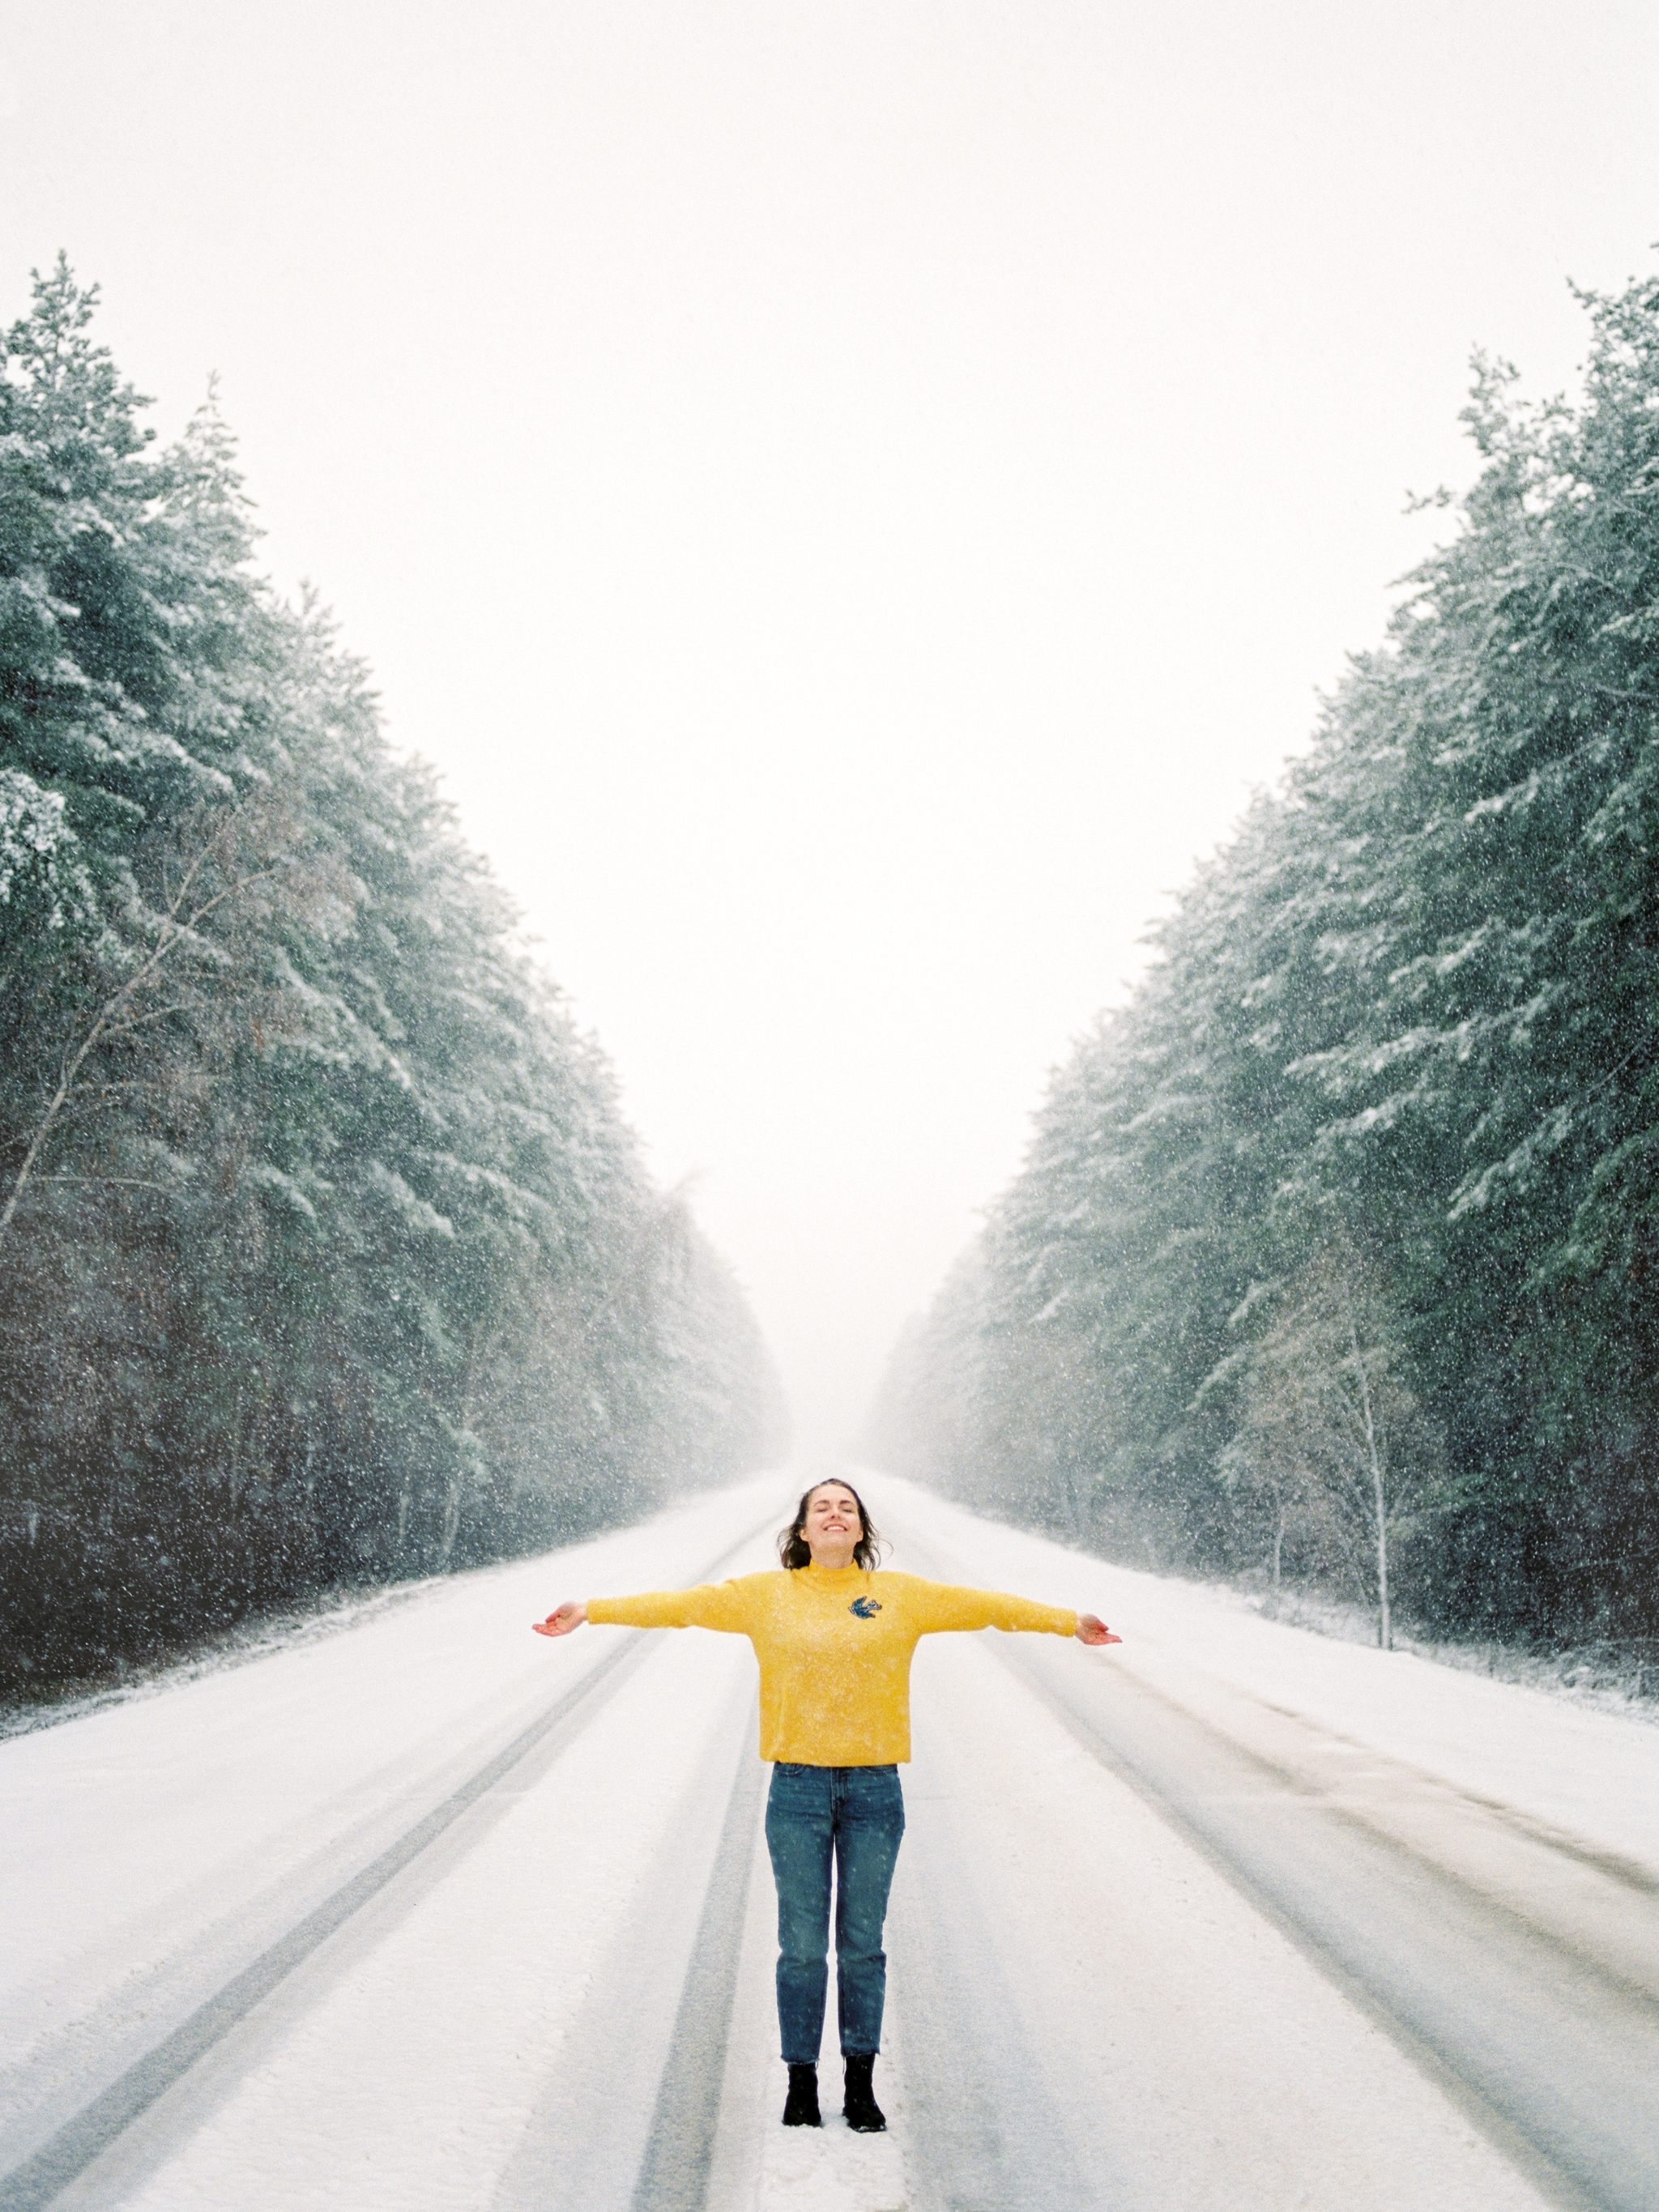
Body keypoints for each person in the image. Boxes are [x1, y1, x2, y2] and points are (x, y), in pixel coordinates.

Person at [532, 1478, 1120, 2133]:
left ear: (862, 1530)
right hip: (798, 1789)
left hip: (875, 1789)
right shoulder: (765, 1596)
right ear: (804, 1532)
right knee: (803, 1945)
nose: (835, 1514)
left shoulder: (901, 1596)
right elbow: (681, 1606)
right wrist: (591, 1607)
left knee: (862, 1945)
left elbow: (988, 1606)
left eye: (847, 1507)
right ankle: (802, 2082)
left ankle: (861, 2085)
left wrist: (1070, 1622)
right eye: (822, 1507)